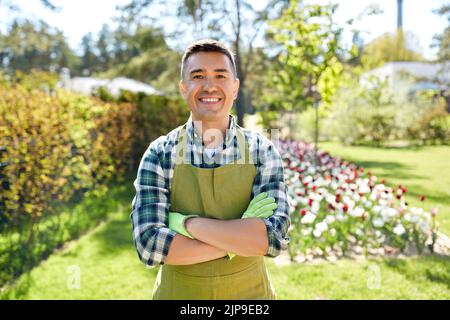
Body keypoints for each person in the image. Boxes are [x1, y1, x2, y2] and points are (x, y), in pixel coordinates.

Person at [130, 39, 291, 300]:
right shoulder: (160, 154)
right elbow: (150, 246)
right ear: (184, 88)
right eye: (198, 76)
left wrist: (185, 223)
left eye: (220, 75)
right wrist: (240, 238)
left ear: (235, 87)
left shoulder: (262, 151)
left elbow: (272, 239)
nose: (209, 85)